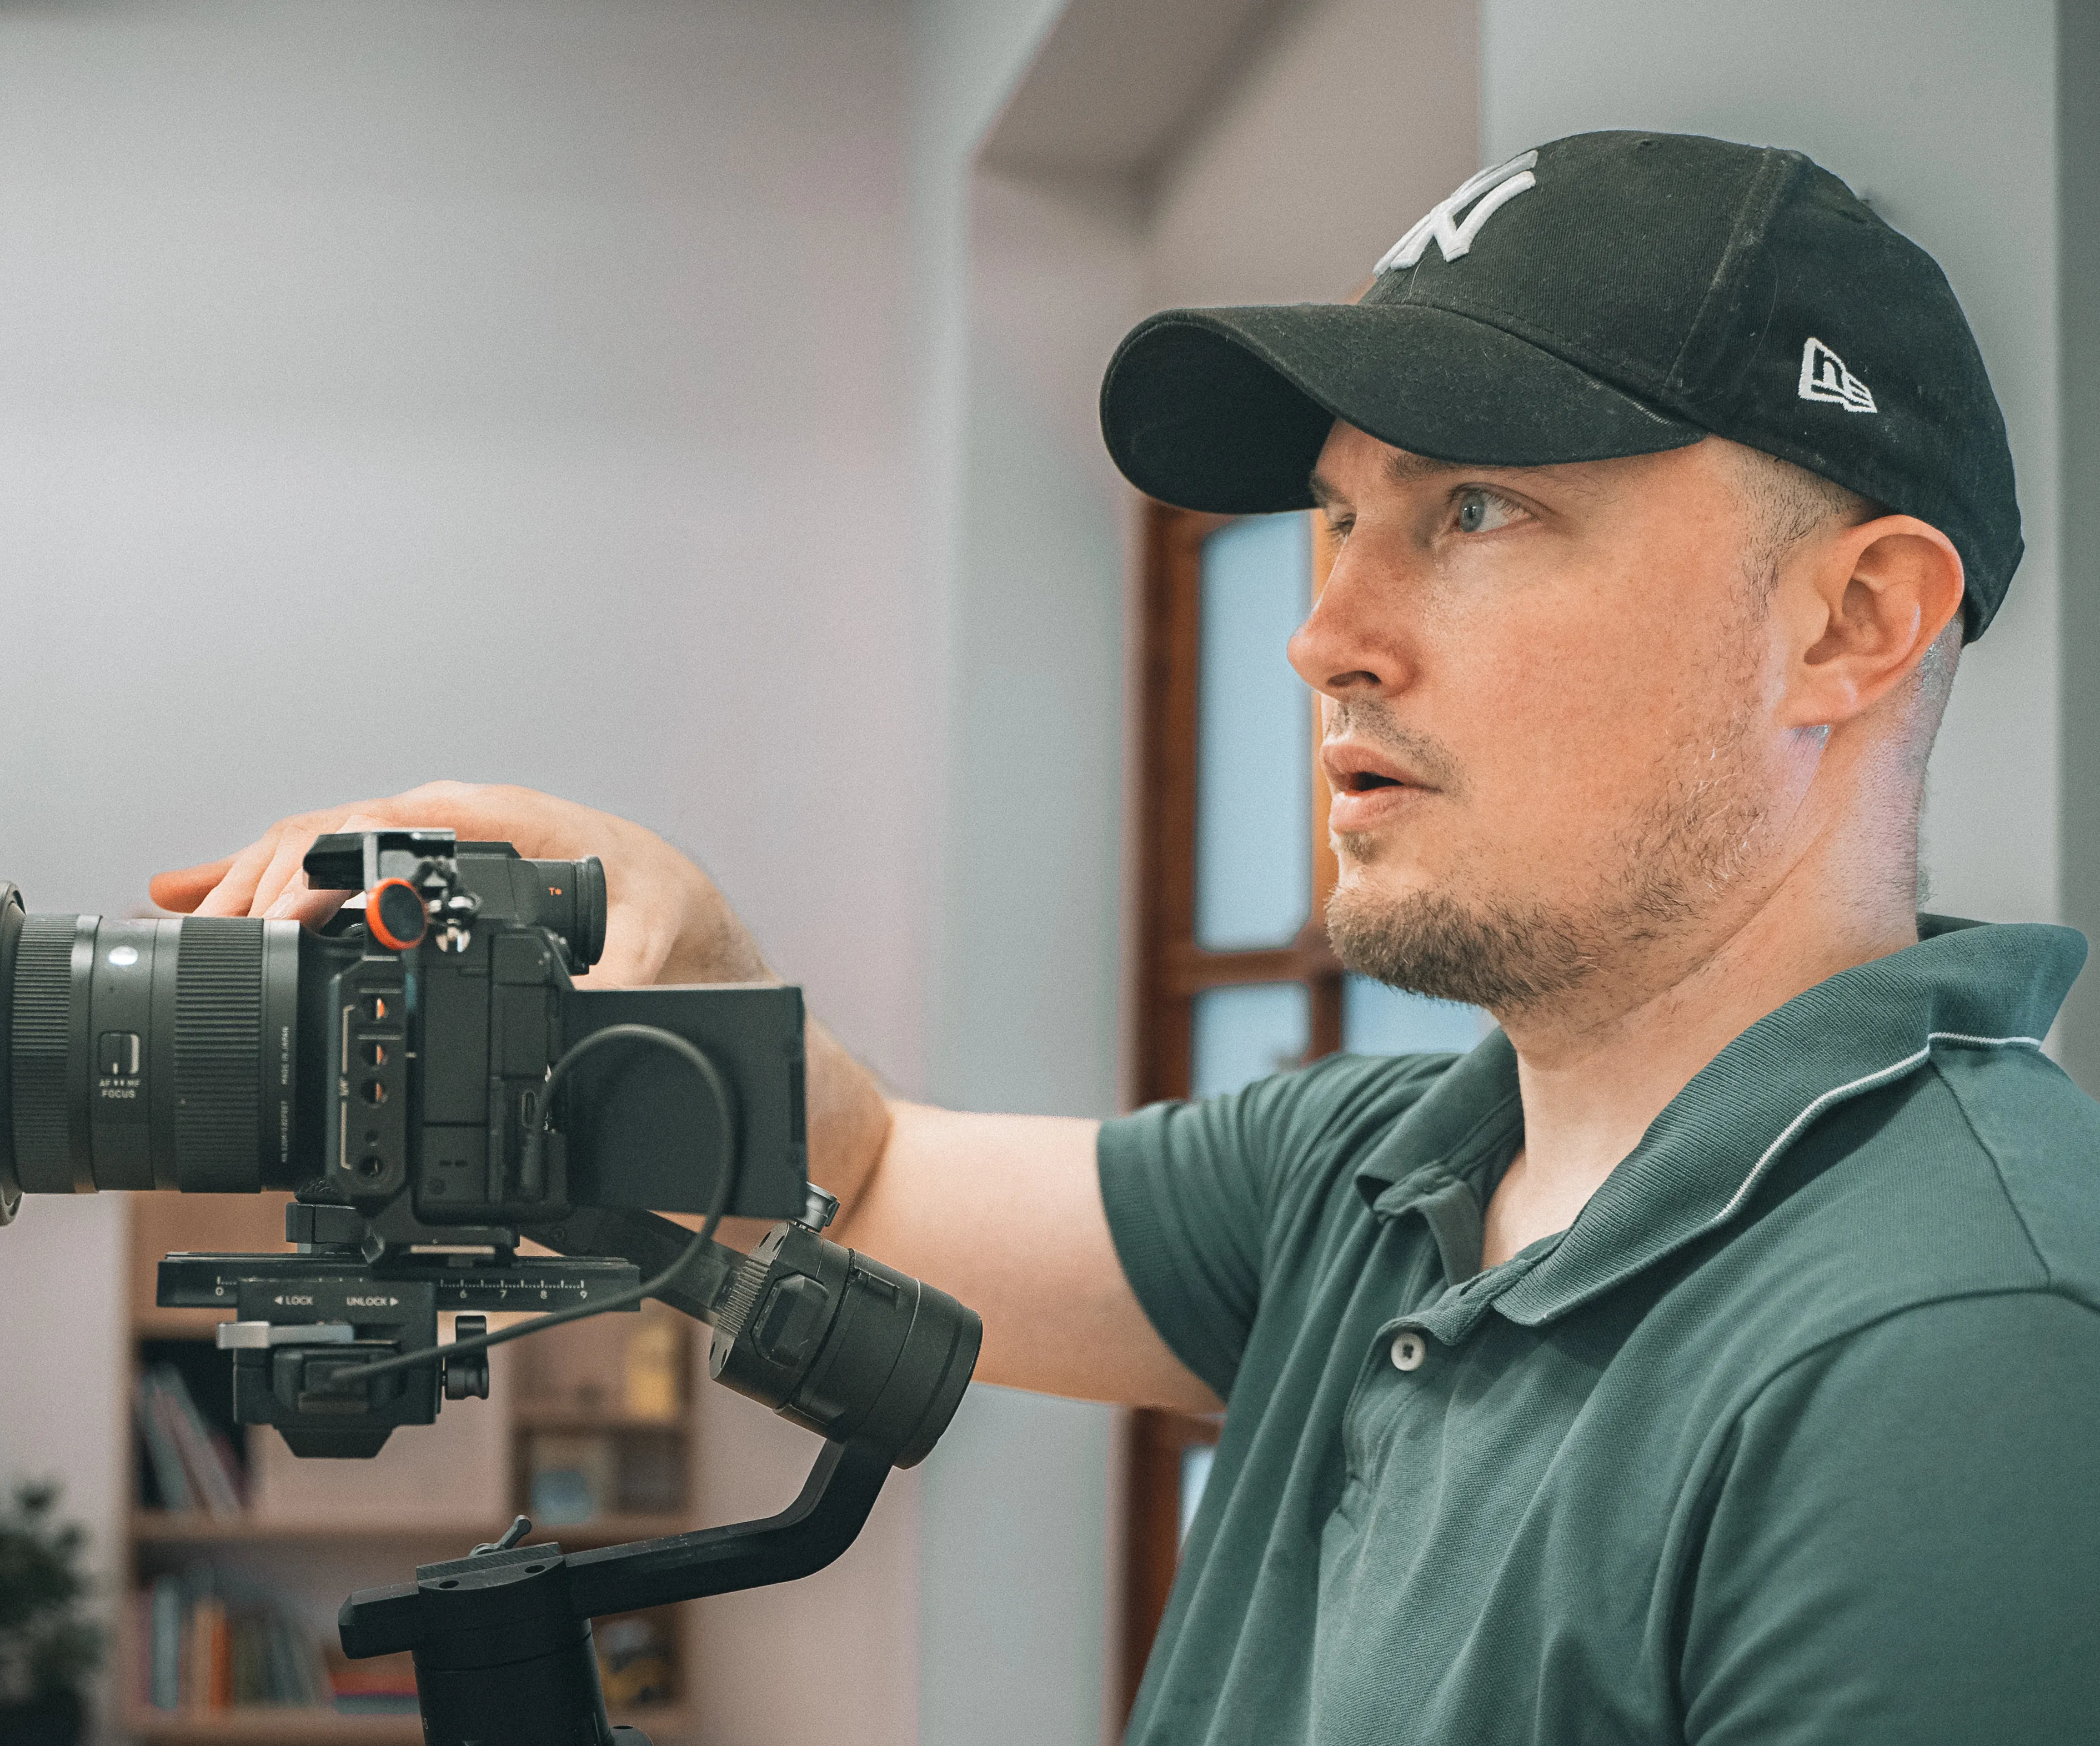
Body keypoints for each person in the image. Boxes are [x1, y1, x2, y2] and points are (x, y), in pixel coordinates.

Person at [152, 132, 2100, 1742]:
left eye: (1480, 510)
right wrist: (670, 944)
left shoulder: (1953, 1356)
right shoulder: (1381, 1174)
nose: (1323, 632)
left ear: (1849, 626)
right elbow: (876, 1172)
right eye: (1344, 519)